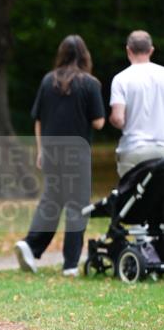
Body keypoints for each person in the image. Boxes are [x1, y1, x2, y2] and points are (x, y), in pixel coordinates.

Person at [15, 35, 105, 277]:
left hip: (52, 152)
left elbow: (38, 120)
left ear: (61, 54)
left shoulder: (47, 81)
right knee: (77, 206)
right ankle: (70, 264)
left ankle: (31, 245)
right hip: (77, 153)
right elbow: (98, 123)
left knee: (51, 201)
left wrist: (41, 150)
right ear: (85, 56)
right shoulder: (90, 84)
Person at [109, 30, 164, 176]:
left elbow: (118, 119)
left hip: (133, 150)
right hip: (162, 150)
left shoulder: (120, 79)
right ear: (151, 50)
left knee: (130, 196)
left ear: (128, 50)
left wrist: (113, 119)